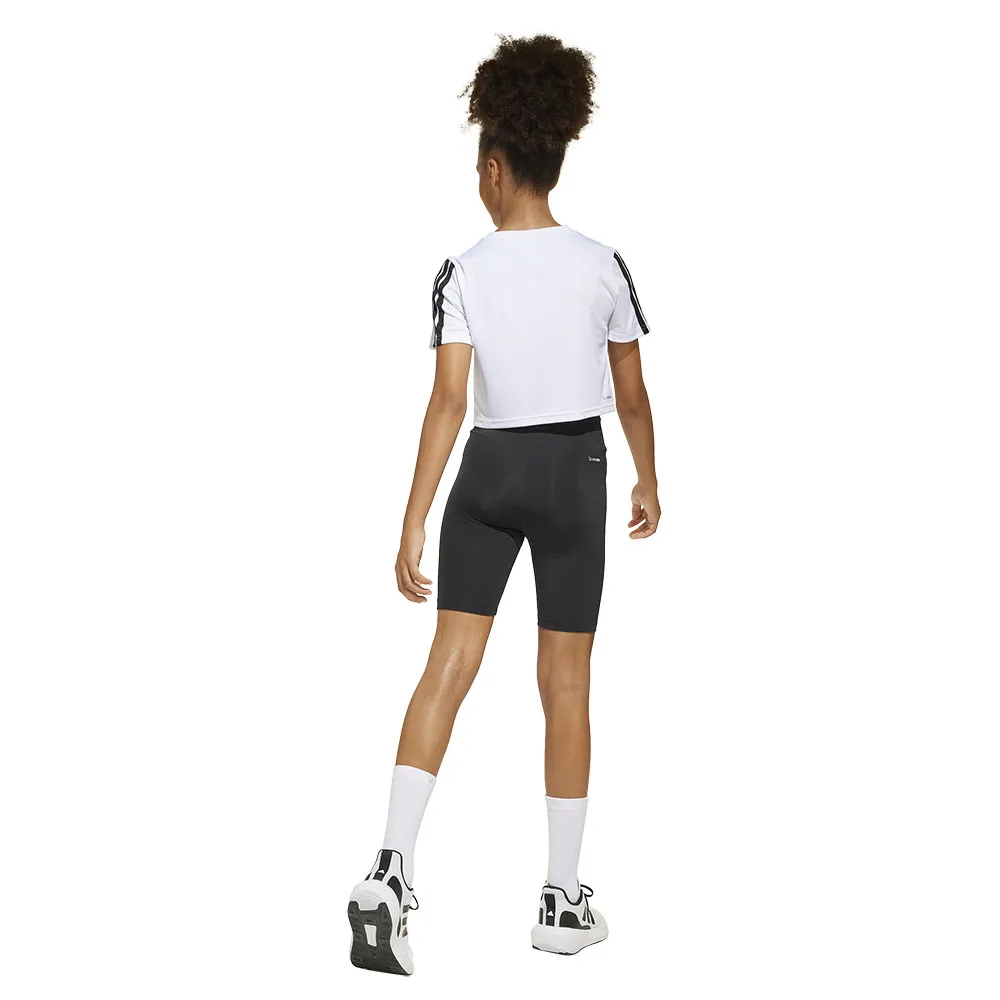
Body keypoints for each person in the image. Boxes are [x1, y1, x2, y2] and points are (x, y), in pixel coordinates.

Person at [347, 34, 659, 975]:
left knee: (447, 666)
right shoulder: (604, 264)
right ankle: (562, 900)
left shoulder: (464, 268)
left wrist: (413, 516)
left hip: (486, 476)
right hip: (572, 472)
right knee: (565, 682)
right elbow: (633, 395)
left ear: (493, 167)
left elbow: (449, 401)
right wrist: (648, 477)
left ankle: (389, 872)